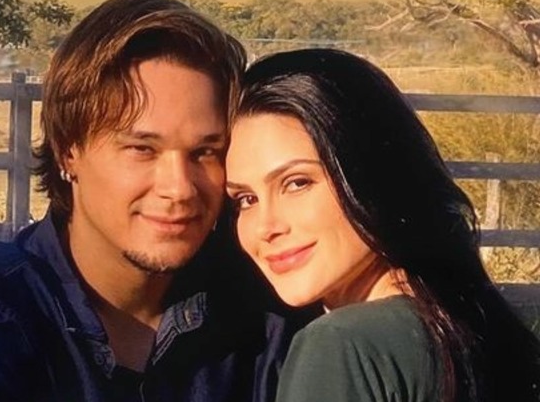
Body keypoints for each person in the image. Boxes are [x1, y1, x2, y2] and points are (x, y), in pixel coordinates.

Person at [0, 0, 302, 402]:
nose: (179, 188)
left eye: (205, 152)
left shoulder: (263, 312)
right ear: (68, 151)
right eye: (142, 149)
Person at [225, 48, 540, 402]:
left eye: (298, 183)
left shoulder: (342, 345)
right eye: (245, 199)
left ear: (372, 174)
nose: (265, 227)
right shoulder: (468, 327)